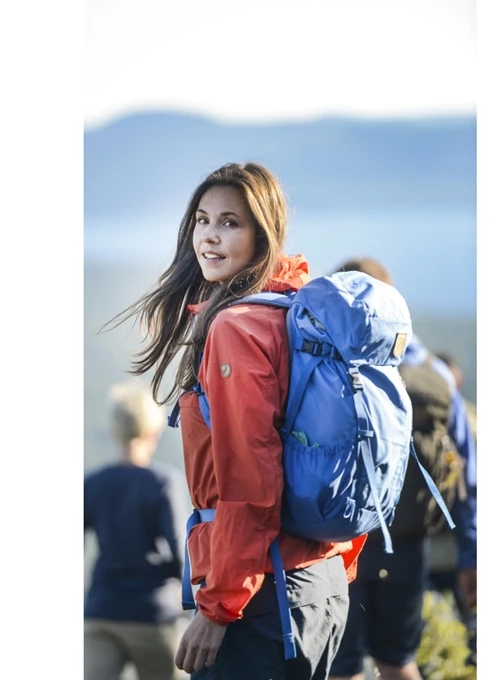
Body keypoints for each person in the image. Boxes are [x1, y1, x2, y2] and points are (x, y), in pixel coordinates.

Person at [107, 162, 365, 679]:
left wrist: (219, 607)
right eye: (203, 220)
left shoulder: (237, 327)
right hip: (319, 582)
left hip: (263, 595)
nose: (209, 235)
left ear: (262, 234)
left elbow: (249, 478)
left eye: (230, 222)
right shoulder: (296, 311)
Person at [327, 257, 477, 680]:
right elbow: (467, 474)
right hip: (409, 543)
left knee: (343, 667)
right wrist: (471, 554)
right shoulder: (435, 372)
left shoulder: (330, 359)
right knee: (398, 661)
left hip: (344, 541)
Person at [84, 381, 191, 680]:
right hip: (154, 615)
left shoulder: (93, 483)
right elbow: (181, 552)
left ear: (114, 430)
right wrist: (192, 608)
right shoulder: (162, 483)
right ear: (153, 432)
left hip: (102, 612)